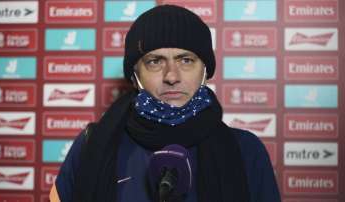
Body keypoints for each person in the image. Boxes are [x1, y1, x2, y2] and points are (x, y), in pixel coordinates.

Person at [50, 5, 280, 202]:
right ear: (135, 75)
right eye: (155, 61)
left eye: (186, 60)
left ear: (205, 70)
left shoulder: (246, 150)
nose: (172, 76)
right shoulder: (92, 145)